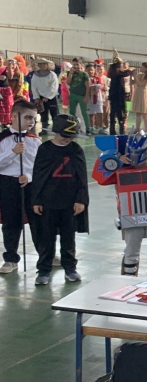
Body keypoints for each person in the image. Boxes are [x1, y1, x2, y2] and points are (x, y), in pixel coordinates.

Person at [91, 130, 147, 277]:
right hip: (131, 220)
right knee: (131, 254)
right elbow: (100, 178)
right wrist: (115, 159)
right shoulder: (121, 172)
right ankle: (128, 283)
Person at [30, 114, 89, 285]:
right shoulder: (45, 149)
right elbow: (38, 175)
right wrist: (36, 200)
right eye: (64, 135)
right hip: (48, 202)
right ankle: (44, 270)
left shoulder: (76, 150)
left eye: (70, 136)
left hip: (69, 203)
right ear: (56, 131)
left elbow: (82, 177)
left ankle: (70, 268)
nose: (67, 139)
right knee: (46, 238)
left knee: (68, 238)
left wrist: (81, 199)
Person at [0, 101, 41, 274]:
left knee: (38, 220)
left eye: (33, 118)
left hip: (30, 184)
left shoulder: (35, 141)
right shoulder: (3, 139)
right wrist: (13, 153)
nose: (31, 121)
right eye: (28, 117)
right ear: (14, 116)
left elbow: (39, 166)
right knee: (11, 221)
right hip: (8, 183)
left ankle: (45, 255)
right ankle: (10, 258)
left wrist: (29, 177)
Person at [30, 58, 60, 133]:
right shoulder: (35, 75)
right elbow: (33, 86)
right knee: (43, 114)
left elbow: (54, 86)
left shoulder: (52, 74)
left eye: (44, 64)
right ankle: (44, 129)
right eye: (41, 64)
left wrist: (48, 96)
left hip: (52, 98)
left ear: (47, 65)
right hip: (41, 98)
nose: (42, 65)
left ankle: (57, 129)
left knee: (54, 114)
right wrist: (36, 97)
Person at [66, 59, 90, 135]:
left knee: (84, 112)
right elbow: (68, 83)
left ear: (81, 65)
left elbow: (87, 86)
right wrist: (71, 73)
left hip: (82, 95)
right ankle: (72, 128)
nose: (76, 66)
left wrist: (86, 96)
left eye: (77, 64)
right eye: (74, 64)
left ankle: (88, 129)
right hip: (73, 95)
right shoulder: (69, 73)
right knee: (72, 112)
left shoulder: (84, 74)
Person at [107, 57, 130, 135]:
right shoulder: (117, 73)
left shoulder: (121, 73)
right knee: (118, 112)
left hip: (127, 95)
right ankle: (119, 128)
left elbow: (132, 85)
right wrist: (129, 71)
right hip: (119, 95)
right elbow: (125, 73)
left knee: (126, 110)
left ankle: (122, 126)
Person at [129, 63, 147, 131]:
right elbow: (131, 83)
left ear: (146, 68)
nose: (141, 68)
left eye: (142, 67)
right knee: (138, 113)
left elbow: (140, 84)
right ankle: (137, 128)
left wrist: (135, 75)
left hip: (144, 94)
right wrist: (131, 75)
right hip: (137, 93)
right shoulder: (140, 75)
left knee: (144, 113)